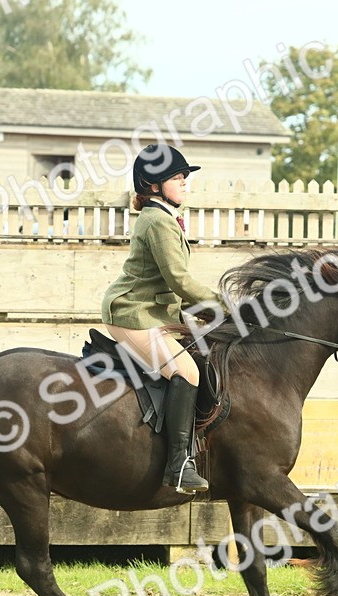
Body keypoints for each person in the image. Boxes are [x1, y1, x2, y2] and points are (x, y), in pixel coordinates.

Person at [102, 144, 224, 494]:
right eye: (176, 177)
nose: (185, 182)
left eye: (185, 176)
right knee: (187, 371)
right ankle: (179, 465)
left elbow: (171, 286)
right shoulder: (157, 220)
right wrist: (226, 305)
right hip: (133, 314)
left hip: (154, 312)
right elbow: (179, 280)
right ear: (153, 185)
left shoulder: (163, 217)